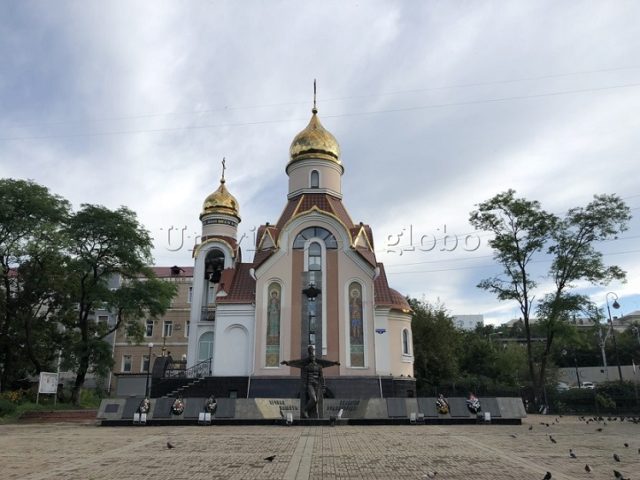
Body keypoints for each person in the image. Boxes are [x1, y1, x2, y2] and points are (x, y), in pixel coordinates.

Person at [281, 345, 340, 418]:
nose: (312, 357)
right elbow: (297, 362)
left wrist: (334, 363)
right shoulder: (306, 365)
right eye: (310, 352)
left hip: (317, 385)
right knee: (313, 399)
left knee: (316, 401)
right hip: (310, 384)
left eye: (313, 355)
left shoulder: (319, 366)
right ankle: (305, 410)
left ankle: (310, 412)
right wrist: (288, 362)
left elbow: (322, 374)